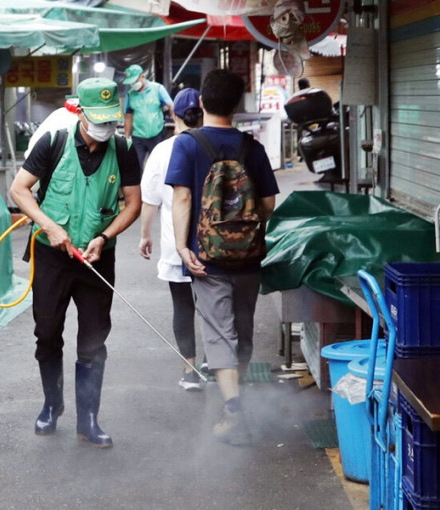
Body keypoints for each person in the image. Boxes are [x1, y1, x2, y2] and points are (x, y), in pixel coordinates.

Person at [10, 77, 141, 449]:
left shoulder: (123, 147)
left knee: (94, 338)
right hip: (52, 255)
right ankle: (52, 404)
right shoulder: (53, 141)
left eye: (110, 120)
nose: (104, 128)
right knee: (47, 332)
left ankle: (89, 419)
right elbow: (19, 189)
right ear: (79, 111)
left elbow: (133, 203)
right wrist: (49, 227)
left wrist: (105, 237)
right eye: (96, 119)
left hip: (97, 258)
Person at [166, 69, 279, 445]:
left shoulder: (187, 144)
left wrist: (184, 247)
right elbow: (267, 204)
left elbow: (182, 197)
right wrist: (244, 231)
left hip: (205, 259)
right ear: (237, 105)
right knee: (242, 330)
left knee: (218, 332)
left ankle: (232, 411)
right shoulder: (253, 148)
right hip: (247, 258)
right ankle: (236, 399)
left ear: (201, 102)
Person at [138, 87, 203, 392]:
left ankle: (190, 370)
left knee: (183, 306)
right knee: (216, 304)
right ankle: (219, 365)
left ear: (173, 115)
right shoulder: (212, 145)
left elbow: (149, 200)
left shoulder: (162, 151)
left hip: (176, 245)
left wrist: (144, 235)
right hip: (216, 244)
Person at [122, 64, 173, 171]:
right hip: (138, 137)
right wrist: (127, 137)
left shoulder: (157, 88)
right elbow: (128, 116)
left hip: (157, 134)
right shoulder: (130, 94)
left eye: (134, 81)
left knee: (158, 166)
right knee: (135, 166)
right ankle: (139, 187)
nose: (133, 84)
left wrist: (178, 125)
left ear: (142, 77)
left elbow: (171, 106)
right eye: (131, 82)